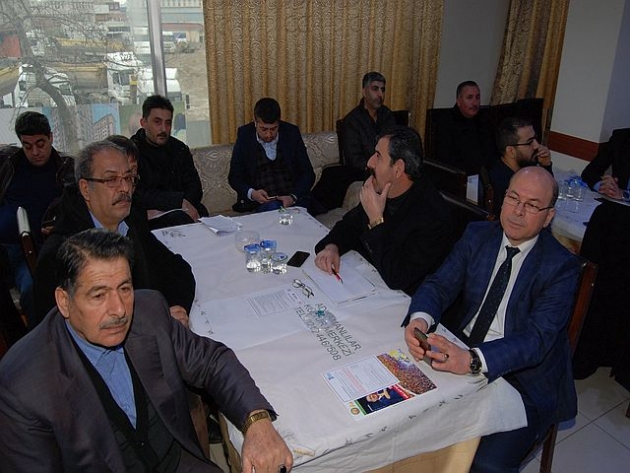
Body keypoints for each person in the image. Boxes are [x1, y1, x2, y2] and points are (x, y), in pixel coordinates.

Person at [0, 229, 293, 472]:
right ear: (64, 301)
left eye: (124, 288)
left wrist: (257, 422)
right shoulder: (22, 387)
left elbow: (212, 361)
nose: (119, 310)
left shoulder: (149, 312)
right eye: (99, 295)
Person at [403, 167, 580, 472]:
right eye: (513, 198)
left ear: (548, 216)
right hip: (464, 346)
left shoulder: (560, 266)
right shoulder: (478, 235)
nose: (518, 211)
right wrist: (420, 320)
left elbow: (535, 340)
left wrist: (472, 360)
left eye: (532, 205)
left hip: (525, 377)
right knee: (405, 418)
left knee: (486, 463)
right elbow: (440, 284)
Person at [32, 140, 196, 328]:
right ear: (85, 189)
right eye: (111, 180)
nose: (125, 188)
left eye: (128, 178)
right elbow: (61, 333)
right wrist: (152, 322)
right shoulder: (60, 254)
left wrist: (175, 310)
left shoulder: (130, 220)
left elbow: (177, 269)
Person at [314, 126, 454, 296]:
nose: (370, 162)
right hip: (368, 280)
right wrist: (332, 247)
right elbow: (350, 225)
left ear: (398, 168)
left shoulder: (433, 217)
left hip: (405, 299)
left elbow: (397, 277)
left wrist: (376, 219)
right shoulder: (383, 188)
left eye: (378, 156)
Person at [0, 111, 74, 323]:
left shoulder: (67, 168)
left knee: (34, 290)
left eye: (40, 144)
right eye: (27, 146)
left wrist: (60, 226)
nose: (35, 152)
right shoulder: (8, 163)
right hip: (10, 249)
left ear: (50, 137)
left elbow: (77, 211)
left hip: (46, 249)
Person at [131, 95, 208, 227]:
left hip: (182, 210)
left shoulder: (179, 149)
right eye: (157, 122)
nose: (163, 129)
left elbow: (195, 187)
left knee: (200, 213)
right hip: (150, 215)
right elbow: (136, 193)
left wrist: (183, 204)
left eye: (168, 123)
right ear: (143, 123)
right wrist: (176, 201)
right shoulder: (131, 152)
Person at [228, 97, 315, 212]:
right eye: (263, 129)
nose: (269, 134)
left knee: (300, 212)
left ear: (279, 122)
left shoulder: (291, 133)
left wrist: (293, 197)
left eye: (274, 129)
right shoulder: (245, 136)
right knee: (274, 209)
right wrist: (252, 193)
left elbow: (308, 174)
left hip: (292, 198)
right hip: (262, 203)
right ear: (255, 123)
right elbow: (234, 177)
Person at [431, 81, 496, 175]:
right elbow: (446, 158)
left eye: (477, 97)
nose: (475, 103)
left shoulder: (484, 118)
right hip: (460, 176)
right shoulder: (446, 122)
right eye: (469, 97)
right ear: (458, 101)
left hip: (485, 173)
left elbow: (491, 150)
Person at [489, 116, 553, 210]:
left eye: (535, 139)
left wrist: (546, 165)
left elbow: (549, 195)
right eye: (529, 142)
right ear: (511, 151)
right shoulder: (504, 183)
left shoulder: (524, 171)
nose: (536, 146)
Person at [341, 71, 397, 174]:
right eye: (375, 89)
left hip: (390, 171)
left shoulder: (387, 115)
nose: (380, 94)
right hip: (364, 174)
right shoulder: (352, 121)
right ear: (364, 92)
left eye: (383, 90)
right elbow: (354, 160)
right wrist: (377, 169)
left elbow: (395, 147)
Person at [581, 127, 630, 199]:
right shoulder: (621, 137)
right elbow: (589, 172)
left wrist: (624, 195)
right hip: (616, 202)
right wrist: (604, 187)